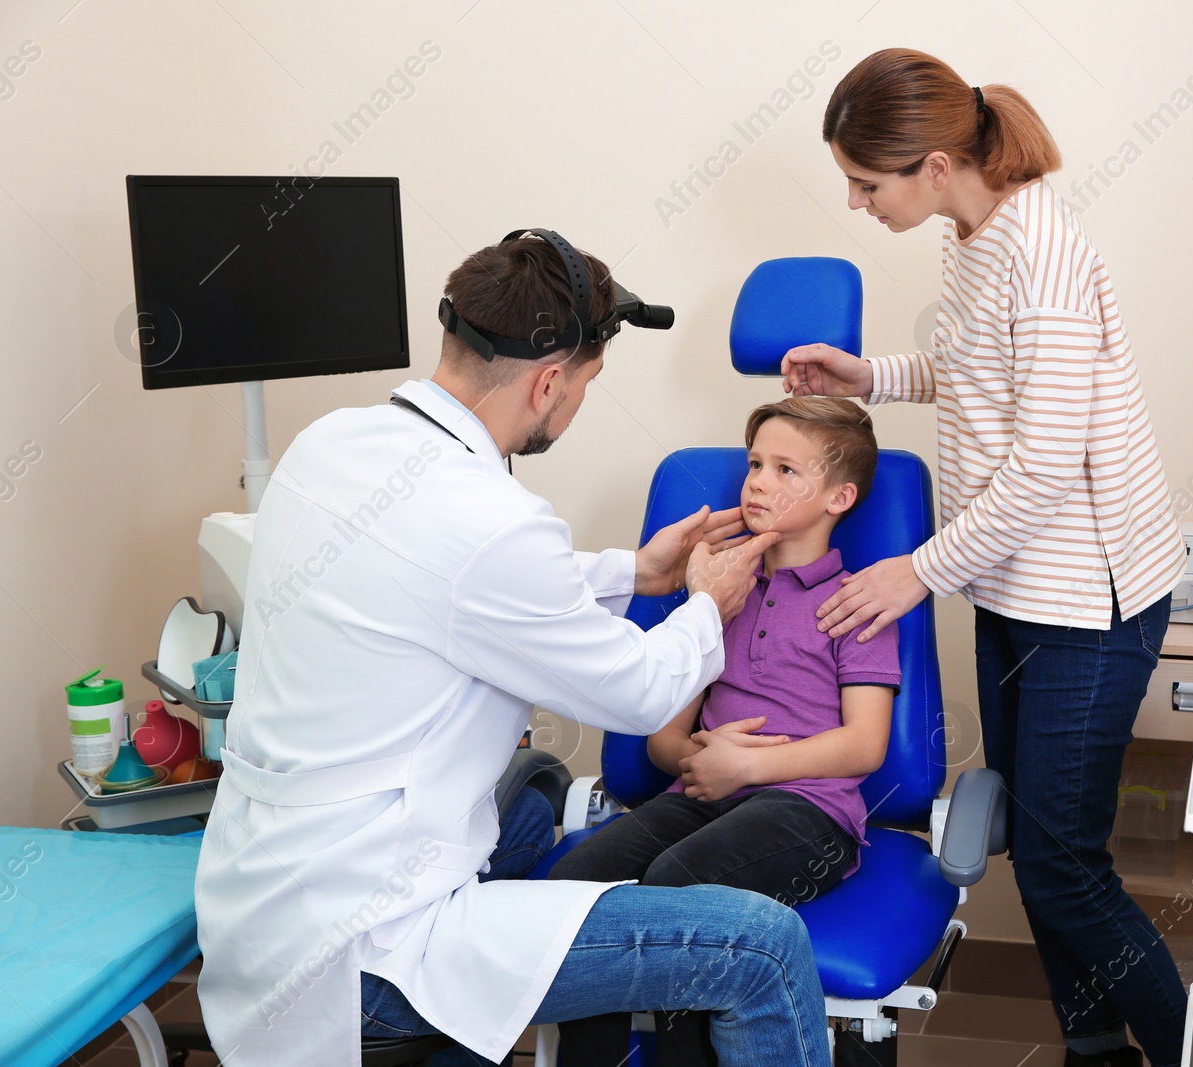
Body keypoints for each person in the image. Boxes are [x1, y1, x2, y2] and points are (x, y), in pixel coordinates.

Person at [194, 230, 832, 1067]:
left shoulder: (330, 446)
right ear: (547, 381)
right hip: (367, 947)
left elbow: (436, 570)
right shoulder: (493, 523)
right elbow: (640, 693)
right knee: (764, 946)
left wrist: (635, 571)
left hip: (259, 895)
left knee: (533, 799)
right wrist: (706, 606)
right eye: (587, 386)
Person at [781, 48, 1187, 1067]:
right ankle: (1097, 1049)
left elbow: (1045, 465)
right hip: (1013, 583)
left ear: (928, 163)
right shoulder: (971, 233)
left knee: (1061, 866)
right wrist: (868, 373)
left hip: (1087, 599)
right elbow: (974, 372)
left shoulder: (1040, 252)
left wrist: (917, 569)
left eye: (865, 182)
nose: (854, 200)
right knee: (1037, 851)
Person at [548, 396, 900, 1066]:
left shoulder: (858, 601)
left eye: (787, 469)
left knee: (677, 881)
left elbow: (865, 745)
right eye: (756, 463)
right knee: (576, 878)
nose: (759, 481)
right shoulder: (724, 589)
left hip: (808, 813)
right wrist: (699, 759)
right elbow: (664, 737)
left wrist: (748, 767)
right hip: (704, 793)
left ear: (840, 496)